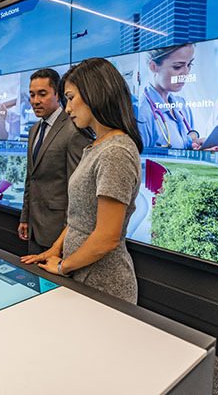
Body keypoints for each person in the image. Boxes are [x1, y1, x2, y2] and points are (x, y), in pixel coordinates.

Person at [21, 58, 143, 304]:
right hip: (81, 275)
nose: (67, 109)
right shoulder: (96, 147)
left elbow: (107, 237)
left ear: (94, 94)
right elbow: (81, 218)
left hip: (103, 284)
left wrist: (62, 266)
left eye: (70, 98)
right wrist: (55, 250)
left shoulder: (116, 151)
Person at [17, 68, 91, 254]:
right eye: (32, 95)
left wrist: (68, 236)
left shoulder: (74, 129)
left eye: (42, 94)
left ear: (58, 94)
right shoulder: (34, 129)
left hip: (59, 233)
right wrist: (25, 217)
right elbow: (31, 178)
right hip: (34, 229)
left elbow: (78, 190)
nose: (35, 101)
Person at [137, 43, 204, 150]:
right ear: (153, 67)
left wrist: (198, 150)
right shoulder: (142, 113)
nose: (186, 73)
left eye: (189, 65)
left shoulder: (182, 106)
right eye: (177, 67)